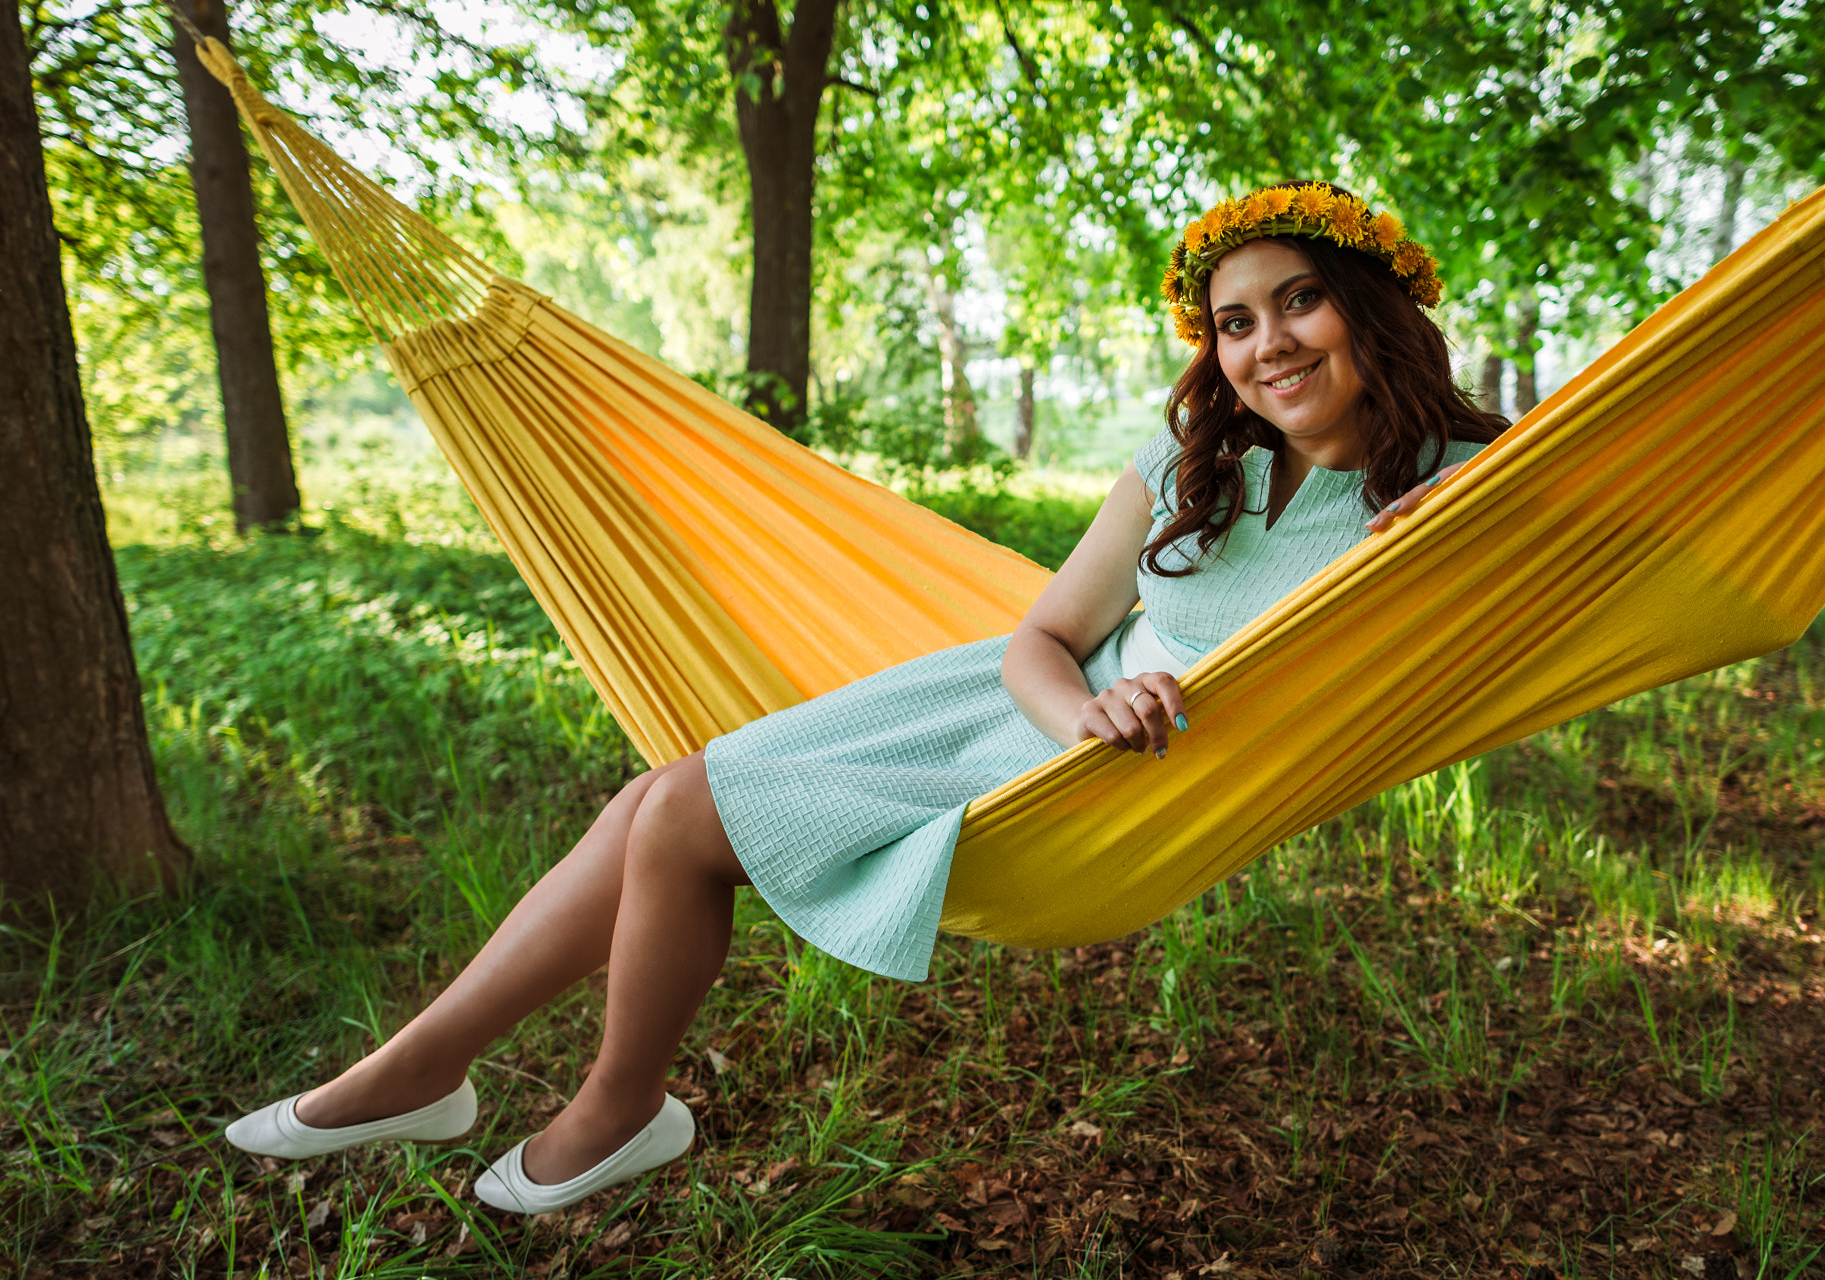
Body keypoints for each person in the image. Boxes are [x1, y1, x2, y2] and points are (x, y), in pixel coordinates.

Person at [224, 181, 1510, 1213]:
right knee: (649, 802)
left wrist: (1476, 503)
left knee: (678, 814)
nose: (1267, 345)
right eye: (1235, 321)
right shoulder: (1184, 471)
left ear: (1368, 308)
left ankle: (609, 1105)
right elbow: (1043, 638)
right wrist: (1078, 713)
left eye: (1300, 305)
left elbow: (1611, 497)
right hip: (1024, 718)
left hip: (1114, 794)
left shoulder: (1456, 486)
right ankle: (431, 1068)